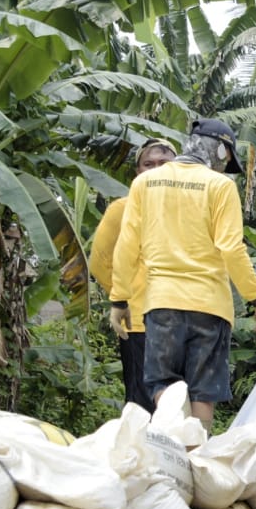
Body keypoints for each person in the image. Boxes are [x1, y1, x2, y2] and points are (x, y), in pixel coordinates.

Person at [109, 119, 256, 431]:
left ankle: (172, 441)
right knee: (203, 393)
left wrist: (119, 299)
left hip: (161, 303)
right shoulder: (220, 186)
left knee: (164, 388)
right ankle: (199, 457)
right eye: (227, 160)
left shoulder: (146, 183)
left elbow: (127, 245)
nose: (225, 167)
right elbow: (231, 248)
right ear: (222, 151)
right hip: (209, 306)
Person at [89, 138, 176, 412]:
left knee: (180, 402)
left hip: (187, 318)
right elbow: (100, 262)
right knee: (143, 404)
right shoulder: (121, 209)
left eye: (163, 163)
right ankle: (141, 454)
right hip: (140, 322)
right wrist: (123, 297)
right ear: (138, 172)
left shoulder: (191, 206)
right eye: (148, 164)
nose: (155, 169)